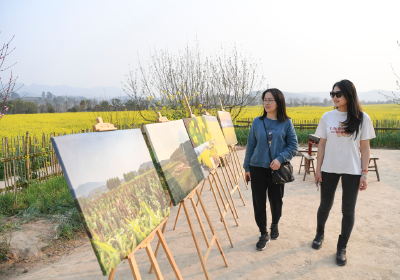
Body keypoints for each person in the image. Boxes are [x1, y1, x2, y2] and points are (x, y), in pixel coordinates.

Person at [312, 79, 376, 266]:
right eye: (332, 94)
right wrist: (318, 170)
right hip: (329, 168)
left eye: (338, 94)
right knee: (325, 205)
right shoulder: (327, 117)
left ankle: (342, 246)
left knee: (348, 210)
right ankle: (319, 233)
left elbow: (365, 147)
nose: (335, 97)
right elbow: (322, 144)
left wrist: (364, 173)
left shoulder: (362, 118)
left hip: (352, 170)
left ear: (349, 95)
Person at [243, 88, 298, 251]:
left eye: (270, 100)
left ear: (278, 102)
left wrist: (280, 159)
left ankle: (274, 224)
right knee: (258, 202)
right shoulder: (257, 122)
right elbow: (250, 145)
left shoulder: (286, 123)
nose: (266, 103)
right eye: (264, 100)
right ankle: (263, 233)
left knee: (276, 201)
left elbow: (293, 146)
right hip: (256, 167)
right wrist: (246, 167)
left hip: (276, 170)